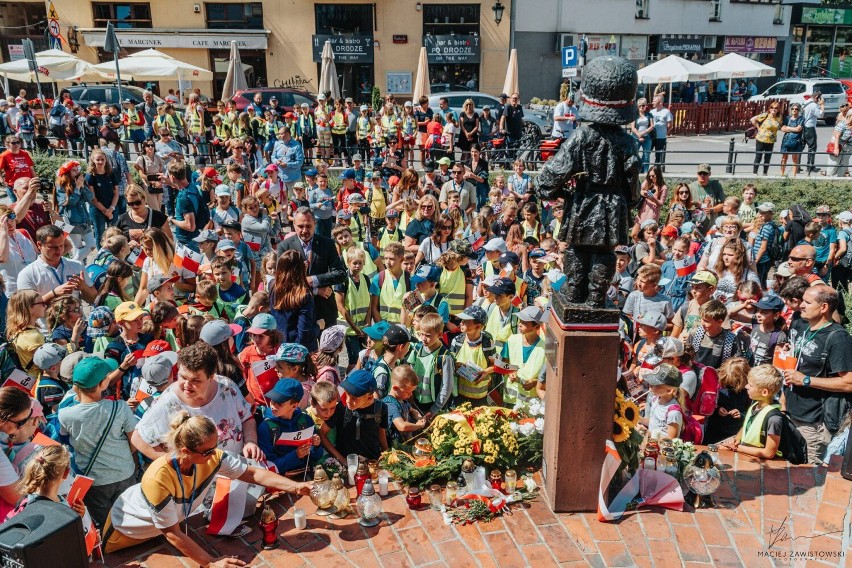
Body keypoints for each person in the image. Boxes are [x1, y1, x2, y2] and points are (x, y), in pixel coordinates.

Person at [103, 412, 310, 564]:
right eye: (208, 451)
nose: (215, 455)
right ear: (185, 451)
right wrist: (211, 562)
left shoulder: (210, 457)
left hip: (157, 528)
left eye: (215, 447)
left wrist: (295, 487)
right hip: (125, 535)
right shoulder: (157, 479)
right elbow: (172, 534)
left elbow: (253, 473)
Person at [131, 342, 263, 462]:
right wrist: (174, 462)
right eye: (183, 377)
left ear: (211, 377)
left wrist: (251, 441)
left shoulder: (227, 387)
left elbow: (247, 418)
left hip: (236, 473)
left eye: (196, 380)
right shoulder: (168, 401)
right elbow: (138, 438)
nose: (187, 385)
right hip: (199, 484)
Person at [58, 357, 137, 528]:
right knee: (129, 515)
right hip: (124, 471)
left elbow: (64, 436)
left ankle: (108, 547)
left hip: (93, 480)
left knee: (103, 522)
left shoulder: (65, 415)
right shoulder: (120, 407)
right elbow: (134, 441)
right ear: (102, 384)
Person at [780, 285, 852, 464]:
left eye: (807, 302)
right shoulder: (802, 326)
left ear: (824, 307)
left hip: (815, 423)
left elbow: (849, 382)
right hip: (792, 413)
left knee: (807, 479)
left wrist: (805, 380)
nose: (801, 305)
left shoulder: (838, 338)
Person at [276, 207, 346, 332]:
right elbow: (282, 281)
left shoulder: (327, 244)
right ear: (294, 225)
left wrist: (313, 280)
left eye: (308, 226)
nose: (304, 230)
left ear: (315, 223)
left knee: (328, 350)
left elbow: (340, 274)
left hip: (324, 310)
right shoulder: (284, 246)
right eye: (300, 226)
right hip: (297, 311)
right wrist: (315, 290)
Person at [17, 224, 97, 304]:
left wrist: (84, 287)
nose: (59, 250)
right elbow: (27, 308)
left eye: (61, 245)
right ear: (39, 245)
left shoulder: (77, 265)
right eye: (53, 247)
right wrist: (53, 294)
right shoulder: (27, 274)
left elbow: (93, 299)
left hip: (76, 315)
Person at [319, 369, 388, 462]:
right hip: (348, 463)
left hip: (372, 462)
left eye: (354, 398)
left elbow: (381, 434)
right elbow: (322, 433)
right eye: (347, 394)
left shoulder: (381, 408)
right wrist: (342, 460)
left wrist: (387, 457)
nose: (348, 401)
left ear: (369, 397)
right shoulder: (342, 407)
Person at [257, 378, 322, 472]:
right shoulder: (265, 427)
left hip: (305, 475)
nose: (273, 405)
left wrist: (316, 445)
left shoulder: (306, 420)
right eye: (272, 400)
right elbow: (269, 466)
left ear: (294, 406)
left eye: (279, 403)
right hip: (279, 481)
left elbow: (316, 456)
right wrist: (295, 456)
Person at [723, 365, 784, 459]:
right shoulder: (755, 405)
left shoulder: (774, 419)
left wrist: (738, 448)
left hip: (759, 463)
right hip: (745, 453)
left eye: (750, 385)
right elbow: (747, 426)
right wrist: (736, 440)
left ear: (764, 392)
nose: (746, 386)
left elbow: (769, 453)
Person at [269, 249, 319, 351]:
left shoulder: (273, 287)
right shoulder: (304, 295)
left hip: (279, 346)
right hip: (299, 352)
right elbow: (305, 334)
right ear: (301, 268)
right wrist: (318, 326)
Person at [0, 204, 38, 297]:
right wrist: (3, 233)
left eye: (12, 220)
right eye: (6, 222)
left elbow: (38, 256)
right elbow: (2, 258)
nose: (10, 224)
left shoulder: (23, 232)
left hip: (33, 289)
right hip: (12, 293)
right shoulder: (2, 238)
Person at [687, 163, 726, 238]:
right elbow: (685, 204)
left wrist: (712, 209)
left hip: (712, 225)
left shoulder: (715, 185)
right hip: (697, 225)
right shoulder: (690, 187)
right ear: (697, 174)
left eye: (705, 173)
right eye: (700, 173)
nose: (702, 176)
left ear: (709, 174)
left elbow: (723, 204)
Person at [0, 134, 34, 202]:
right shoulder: (4, 155)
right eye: (13, 143)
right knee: (17, 206)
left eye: (18, 142)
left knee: (29, 205)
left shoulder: (25, 154)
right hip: (13, 186)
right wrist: (2, 181)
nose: (16, 144)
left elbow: (31, 168)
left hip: (27, 184)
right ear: (8, 144)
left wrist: (35, 179)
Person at [750, 102, 782, 175]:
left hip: (771, 140)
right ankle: (755, 173)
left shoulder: (779, 117)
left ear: (778, 109)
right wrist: (758, 128)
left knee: (767, 158)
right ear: (769, 109)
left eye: (776, 108)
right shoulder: (765, 115)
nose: (773, 109)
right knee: (758, 156)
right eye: (772, 108)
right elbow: (752, 119)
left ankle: (765, 173)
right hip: (761, 139)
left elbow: (780, 126)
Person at [800, 89, 824, 174]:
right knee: (812, 147)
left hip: (802, 127)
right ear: (817, 97)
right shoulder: (814, 105)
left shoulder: (805, 103)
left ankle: (797, 166)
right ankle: (810, 166)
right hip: (810, 128)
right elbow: (820, 115)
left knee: (801, 147)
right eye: (819, 98)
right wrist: (822, 105)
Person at [779, 103, 805, 177]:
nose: (794, 110)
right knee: (784, 158)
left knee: (795, 159)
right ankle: (782, 174)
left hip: (796, 140)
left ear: (799, 110)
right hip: (786, 139)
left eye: (796, 109)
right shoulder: (787, 118)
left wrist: (788, 128)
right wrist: (792, 129)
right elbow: (782, 128)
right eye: (793, 109)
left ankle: (794, 176)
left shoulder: (801, 119)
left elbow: (798, 129)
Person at [630, 98, 654, 173]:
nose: (641, 107)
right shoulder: (635, 115)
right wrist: (638, 135)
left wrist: (643, 133)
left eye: (643, 105)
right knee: (635, 154)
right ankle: (637, 170)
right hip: (636, 137)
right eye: (639, 106)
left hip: (647, 137)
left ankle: (646, 171)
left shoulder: (649, 115)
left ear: (645, 106)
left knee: (646, 155)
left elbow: (652, 126)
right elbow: (633, 127)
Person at [649, 96, 673, 170]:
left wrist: (665, 132)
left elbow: (670, 125)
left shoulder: (666, 112)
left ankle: (657, 170)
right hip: (652, 136)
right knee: (647, 152)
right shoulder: (652, 111)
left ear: (660, 102)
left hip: (661, 137)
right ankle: (645, 168)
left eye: (654, 101)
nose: (652, 102)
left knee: (658, 154)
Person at [826, 110, 852, 177]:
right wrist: (836, 148)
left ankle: (840, 180)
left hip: (848, 148)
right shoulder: (843, 123)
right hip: (838, 145)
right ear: (849, 116)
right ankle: (829, 180)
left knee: (844, 165)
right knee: (834, 164)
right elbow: (836, 136)